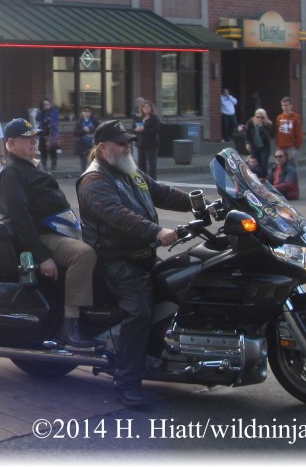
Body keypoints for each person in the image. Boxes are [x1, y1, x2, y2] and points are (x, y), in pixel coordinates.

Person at [76, 120, 191, 407]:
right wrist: (157, 232)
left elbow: (161, 192)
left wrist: (203, 203)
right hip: (116, 261)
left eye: (129, 141)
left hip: (143, 256)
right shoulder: (94, 180)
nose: (128, 146)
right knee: (138, 310)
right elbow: (117, 215)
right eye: (121, 142)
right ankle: (126, 382)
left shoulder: (130, 171)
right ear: (103, 148)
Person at [0, 118, 100, 351]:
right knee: (84, 254)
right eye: (27, 138)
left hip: (60, 230)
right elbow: (21, 220)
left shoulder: (31, 165)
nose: (34, 142)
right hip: (43, 236)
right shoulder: (13, 173)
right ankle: (70, 325)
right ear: (11, 143)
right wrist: (42, 256)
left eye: (35, 137)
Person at [134, 100, 160, 179]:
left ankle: (152, 181)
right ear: (142, 109)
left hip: (151, 144)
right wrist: (136, 130)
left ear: (151, 108)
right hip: (141, 143)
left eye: (148, 107)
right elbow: (134, 128)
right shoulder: (140, 118)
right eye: (144, 107)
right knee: (141, 164)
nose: (146, 108)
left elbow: (156, 131)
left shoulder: (154, 118)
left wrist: (144, 129)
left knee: (152, 164)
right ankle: (143, 180)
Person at [274, 97, 303, 167]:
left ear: (291, 106)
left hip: (291, 147)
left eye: (286, 105)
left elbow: (299, 133)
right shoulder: (279, 118)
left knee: (292, 168)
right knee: (280, 168)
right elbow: (277, 132)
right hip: (281, 147)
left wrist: (296, 146)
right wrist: (278, 143)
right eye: (283, 105)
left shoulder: (295, 118)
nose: (284, 107)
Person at [244, 108, 273, 174]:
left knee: (263, 162)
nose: (259, 119)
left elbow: (266, 136)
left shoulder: (268, 124)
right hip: (254, 145)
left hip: (264, 146)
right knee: (254, 162)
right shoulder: (251, 122)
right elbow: (246, 132)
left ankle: (264, 177)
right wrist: (247, 143)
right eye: (258, 117)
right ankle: (254, 176)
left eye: (262, 117)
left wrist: (261, 128)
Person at [35, 99, 61, 172]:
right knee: (43, 150)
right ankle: (44, 165)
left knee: (52, 150)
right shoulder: (40, 112)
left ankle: (54, 164)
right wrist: (40, 111)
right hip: (43, 134)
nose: (46, 106)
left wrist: (49, 124)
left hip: (51, 134)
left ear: (50, 105)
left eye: (47, 104)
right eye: (44, 104)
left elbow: (54, 122)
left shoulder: (54, 111)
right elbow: (37, 119)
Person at [73, 106, 99, 171]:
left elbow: (99, 130)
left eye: (88, 111)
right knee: (83, 159)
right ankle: (83, 173)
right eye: (85, 111)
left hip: (92, 142)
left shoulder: (94, 121)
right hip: (82, 143)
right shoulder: (79, 122)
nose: (87, 112)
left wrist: (90, 129)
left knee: (93, 158)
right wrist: (83, 130)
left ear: (90, 113)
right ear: (82, 113)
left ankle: (93, 172)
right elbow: (75, 132)